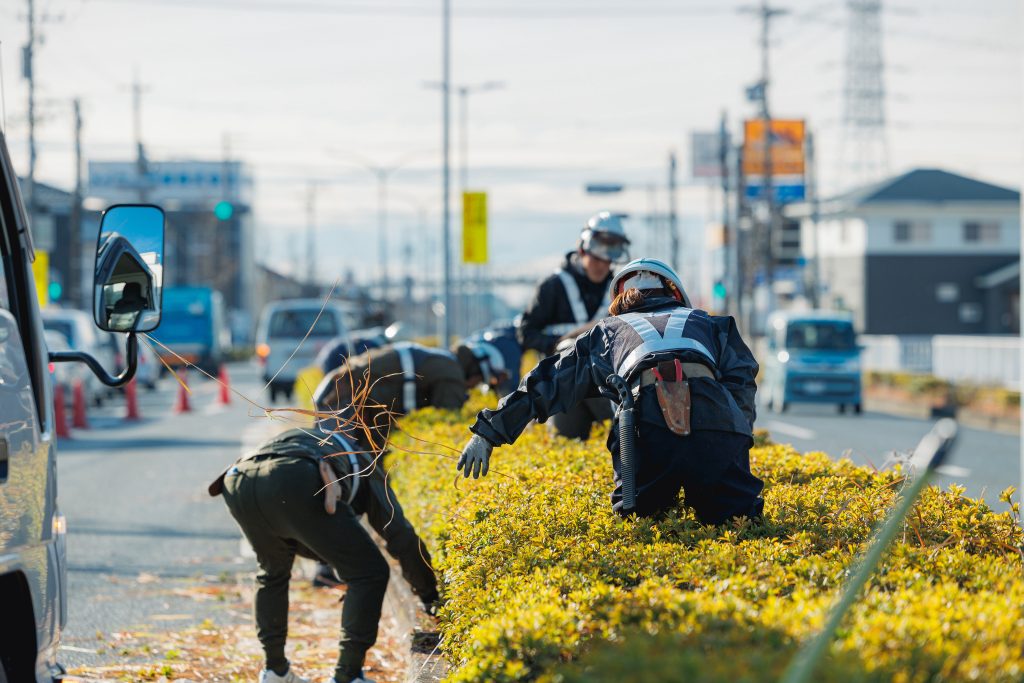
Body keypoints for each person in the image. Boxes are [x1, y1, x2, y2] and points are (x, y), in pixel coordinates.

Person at [457, 258, 765, 523]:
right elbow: (742, 383)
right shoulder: (710, 323)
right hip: (718, 421)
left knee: (643, 530)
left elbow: (547, 382)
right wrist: (734, 435)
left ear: (619, 299)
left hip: (644, 427)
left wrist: (488, 433)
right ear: (675, 293)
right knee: (738, 526)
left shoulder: (607, 331)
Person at [209, 421, 436, 683]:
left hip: (239, 479)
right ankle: (347, 675)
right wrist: (430, 594)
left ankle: (275, 671)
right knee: (369, 572)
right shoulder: (364, 462)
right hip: (293, 478)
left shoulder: (310, 438)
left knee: (272, 572)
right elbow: (400, 536)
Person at [516, 211, 631, 439]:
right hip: (563, 385)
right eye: (597, 258)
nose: (601, 265)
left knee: (624, 434)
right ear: (582, 250)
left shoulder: (619, 291)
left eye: (608, 261)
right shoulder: (553, 286)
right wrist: (558, 345)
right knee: (565, 442)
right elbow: (526, 333)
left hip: (605, 383)